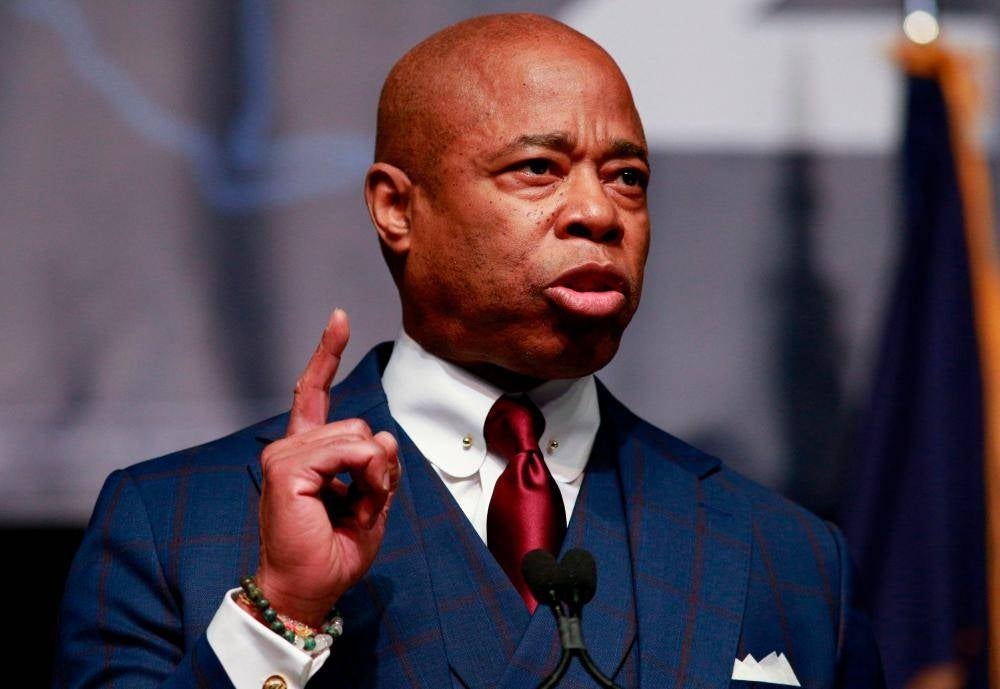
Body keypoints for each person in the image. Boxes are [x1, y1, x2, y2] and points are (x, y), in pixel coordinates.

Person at [55, 13, 884, 689]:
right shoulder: (172, 524)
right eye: (538, 168)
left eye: (627, 175)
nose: (599, 211)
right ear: (396, 208)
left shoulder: (792, 554)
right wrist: (282, 613)